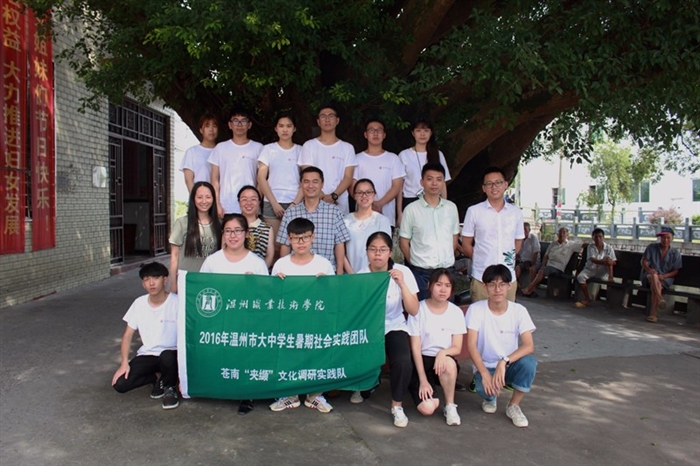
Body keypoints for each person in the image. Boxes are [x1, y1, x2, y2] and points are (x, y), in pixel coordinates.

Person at [200, 214, 269, 414]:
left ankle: (247, 394)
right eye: (228, 231)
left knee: (246, 357)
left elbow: (267, 297)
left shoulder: (257, 263)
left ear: (246, 234)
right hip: (219, 321)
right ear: (223, 234)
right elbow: (203, 291)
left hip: (248, 322)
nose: (233, 235)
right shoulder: (212, 261)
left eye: (238, 231)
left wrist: (254, 285)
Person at [269, 218, 336, 414]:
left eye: (305, 237)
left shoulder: (323, 264)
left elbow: (333, 297)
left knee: (317, 356)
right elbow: (272, 298)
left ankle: (315, 395)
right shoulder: (281, 264)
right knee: (288, 355)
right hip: (288, 322)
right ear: (289, 239)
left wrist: (326, 284)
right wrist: (276, 283)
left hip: (316, 322)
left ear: (313, 237)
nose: (301, 242)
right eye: (296, 238)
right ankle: (289, 395)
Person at [353, 231, 418, 427]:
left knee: (403, 361)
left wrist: (402, 284)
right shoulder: (361, 276)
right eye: (373, 249)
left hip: (394, 325)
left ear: (390, 252)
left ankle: (397, 405)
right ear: (366, 252)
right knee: (360, 359)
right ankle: (364, 385)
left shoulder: (402, 272)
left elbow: (413, 309)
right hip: (369, 327)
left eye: (382, 250)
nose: (377, 254)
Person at [466, 264, 537, 428]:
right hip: (486, 365)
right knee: (482, 388)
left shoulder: (519, 310)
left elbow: (528, 346)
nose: (497, 289)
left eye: (502, 284)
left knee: (529, 363)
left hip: (508, 364)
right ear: (485, 287)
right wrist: (484, 373)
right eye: (492, 284)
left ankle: (514, 406)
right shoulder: (476, 309)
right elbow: (471, 346)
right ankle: (490, 398)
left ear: (509, 286)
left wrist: (504, 361)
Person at [112, 262, 179, 410]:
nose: (151, 283)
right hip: (148, 354)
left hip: (172, 354)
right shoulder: (139, 303)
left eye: (156, 278)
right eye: (146, 279)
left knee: (167, 356)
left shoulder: (177, 302)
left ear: (165, 280)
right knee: (120, 384)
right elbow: (127, 335)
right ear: (143, 284)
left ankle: (169, 388)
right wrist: (124, 363)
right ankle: (157, 378)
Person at [407, 268, 467, 426]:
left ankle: (450, 405)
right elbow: (415, 348)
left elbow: (457, 347)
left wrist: (443, 353)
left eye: (447, 285)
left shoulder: (456, 312)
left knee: (448, 362)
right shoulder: (418, 309)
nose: (443, 290)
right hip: (421, 361)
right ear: (429, 285)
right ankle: (430, 395)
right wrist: (422, 380)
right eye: (438, 284)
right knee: (427, 408)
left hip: (443, 361)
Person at [461, 166, 524, 302]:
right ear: (484, 188)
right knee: (480, 314)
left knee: (507, 314)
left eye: (498, 182)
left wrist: (509, 257)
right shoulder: (474, 211)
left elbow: (518, 241)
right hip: (481, 277)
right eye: (489, 183)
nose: (494, 187)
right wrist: (481, 258)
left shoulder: (516, 213)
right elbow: (466, 244)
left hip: (508, 278)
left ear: (506, 184)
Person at [399, 163, 460, 300]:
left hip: (447, 271)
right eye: (430, 179)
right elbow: (404, 242)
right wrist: (415, 262)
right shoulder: (411, 209)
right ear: (422, 182)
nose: (434, 183)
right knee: (422, 310)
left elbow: (454, 238)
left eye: (439, 179)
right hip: (422, 273)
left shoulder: (451, 208)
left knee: (447, 310)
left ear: (443, 182)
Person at [276, 167, 350, 274]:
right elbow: (285, 245)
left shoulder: (334, 212)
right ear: (301, 184)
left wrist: (339, 273)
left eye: (315, 182)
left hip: (327, 273)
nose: (310, 186)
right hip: (297, 273)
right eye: (306, 181)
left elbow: (339, 244)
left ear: (322, 184)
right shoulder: (290, 213)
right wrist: (284, 271)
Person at [298, 104, 357, 214]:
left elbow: (348, 177)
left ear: (337, 120)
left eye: (331, 116)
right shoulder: (309, 146)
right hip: (313, 201)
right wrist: (322, 196)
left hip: (340, 203)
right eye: (323, 116)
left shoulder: (347, 148)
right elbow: (307, 174)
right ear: (318, 121)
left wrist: (334, 196)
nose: (327, 119)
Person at [256, 112, 302, 252]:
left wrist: (295, 204)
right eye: (281, 126)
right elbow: (261, 178)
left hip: (295, 201)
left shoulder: (301, 150)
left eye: (289, 126)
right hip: (272, 201)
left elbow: (306, 179)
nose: (285, 129)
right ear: (276, 128)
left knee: (296, 243)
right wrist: (274, 204)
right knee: (274, 245)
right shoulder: (268, 149)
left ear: (294, 128)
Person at [168, 181, 221, 294]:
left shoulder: (220, 224)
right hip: (187, 279)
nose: (204, 201)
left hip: (211, 279)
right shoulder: (181, 223)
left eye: (208, 197)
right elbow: (174, 256)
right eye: (200, 197)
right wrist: (173, 283)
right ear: (193, 199)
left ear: (213, 199)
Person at [209, 107, 263, 217]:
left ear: (249, 125)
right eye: (235, 120)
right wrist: (217, 204)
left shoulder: (258, 148)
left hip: (250, 207)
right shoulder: (220, 148)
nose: (239, 124)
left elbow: (262, 180)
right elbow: (214, 180)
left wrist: (257, 203)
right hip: (226, 207)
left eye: (243, 120)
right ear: (230, 125)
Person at [353, 118, 405, 226]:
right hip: (362, 215)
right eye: (372, 130)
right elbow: (353, 186)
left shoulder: (393, 158)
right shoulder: (357, 159)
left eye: (379, 130)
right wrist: (369, 205)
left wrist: (380, 204)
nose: (375, 133)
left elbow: (397, 186)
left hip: (387, 215)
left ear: (384, 135)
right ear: (366, 134)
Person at [397, 118, 451, 219]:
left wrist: (444, 207)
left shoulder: (438, 154)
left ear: (431, 133)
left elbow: (442, 183)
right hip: (410, 200)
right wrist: (400, 213)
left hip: (434, 200)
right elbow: (399, 186)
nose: (422, 134)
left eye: (426, 130)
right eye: (418, 130)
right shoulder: (404, 155)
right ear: (413, 133)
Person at [343, 179, 391, 274]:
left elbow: (385, 250)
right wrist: (352, 274)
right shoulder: (345, 221)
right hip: (351, 275)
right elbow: (341, 251)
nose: (364, 196)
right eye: (360, 192)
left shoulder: (382, 221)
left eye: (368, 192)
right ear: (354, 196)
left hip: (375, 275)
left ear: (374, 195)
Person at [521, 227, 581, 297]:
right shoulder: (553, 244)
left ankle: (529, 288)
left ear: (567, 235)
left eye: (564, 233)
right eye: (560, 233)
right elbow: (546, 256)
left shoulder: (571, 245)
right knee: (533, 269)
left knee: (542, 271)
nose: (561, 234)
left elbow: (583, 246)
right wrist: (543, 265)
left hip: (558, 267)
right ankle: (532, 290)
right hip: (548, 265)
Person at [640, 226, 682, 323]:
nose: (665, 240)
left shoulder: (675, 253)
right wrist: (650, 270)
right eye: (663, 237)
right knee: (654, 276)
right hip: (649, 276)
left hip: (665, 279)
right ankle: (659, 301)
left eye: (668, 237)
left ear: (672, 238)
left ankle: (653, 314)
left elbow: (676, 271)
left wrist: (663, 276)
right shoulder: (652, 247)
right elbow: (644, 262)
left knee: (656, 284)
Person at [573, 228, 617, 308]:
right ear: (593, 238)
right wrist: (604, 262)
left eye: (600, 237)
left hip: (602, 271)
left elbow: (614, 261)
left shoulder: (609, 248)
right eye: (596, 237)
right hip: (590, 269)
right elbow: (592, 259)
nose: (598, 239)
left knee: (608, 259)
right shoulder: (590, 247)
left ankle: (611, 278)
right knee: (580, 277)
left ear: (603, 237)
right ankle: (587, 298)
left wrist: (609, 262)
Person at [180, 112, 219, 192]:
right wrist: (195, 197)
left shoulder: (222, 151)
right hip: (200, 196)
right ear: (201, 130)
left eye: (214, 126)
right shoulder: (192, 152)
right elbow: (189, 180)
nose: (211, 129)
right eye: (207, 126)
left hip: (221, 197)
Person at [238, 185, 275, 269]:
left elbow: (270, 255)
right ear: (239, 202)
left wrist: (259, 272)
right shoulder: (232, 225)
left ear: (259, 202)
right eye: (244, 199)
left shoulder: (267, 228)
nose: (249, 203)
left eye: (253, 199)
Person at [515, 222, 540, 288]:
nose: (524, 231)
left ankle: (514, 284)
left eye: (525, 229)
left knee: (518, 267)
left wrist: (532, 265)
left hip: (529, 261)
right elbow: (517, 252)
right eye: (522, 229)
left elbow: (536, 253)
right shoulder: (520, 239)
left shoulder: (533, 238)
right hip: (521, 260)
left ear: (529, 230)